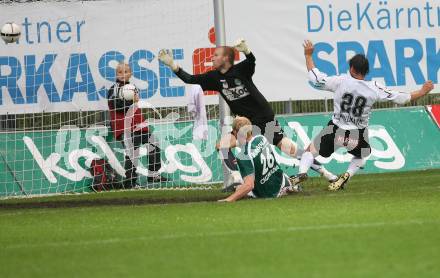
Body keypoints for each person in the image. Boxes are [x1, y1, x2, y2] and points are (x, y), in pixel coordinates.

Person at [158, 39, 337, 187]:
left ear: (227, 59)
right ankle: (237, 178)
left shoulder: (240, 70)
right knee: (222, 145)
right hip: (244, 123)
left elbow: (252, 62)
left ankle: (326, 173)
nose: (212, 58)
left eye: (216, 55)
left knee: (287, 148)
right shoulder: (213, 77)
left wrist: (247, 51)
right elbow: (190, 79)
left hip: (263, 116)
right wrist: (173, 65)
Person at [294, 40, 434, 191]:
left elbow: (316, 79)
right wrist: (422, 91)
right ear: (366, 71)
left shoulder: (341, 81)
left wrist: (308, 56)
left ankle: (301, 174)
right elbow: (399, 97)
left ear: (352, 68)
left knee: (309, 153)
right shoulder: (374, 88)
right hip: (355, 135)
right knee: (361, 156)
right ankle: (346, 176)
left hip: (334, 130)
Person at [107, 62, 168, 188]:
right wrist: (130, 101)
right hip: (124, 127)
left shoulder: (132, 87)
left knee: (154, 143)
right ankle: (130, 182)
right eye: (120, 72)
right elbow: (117, 107)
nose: (123, 74)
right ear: (116, 74)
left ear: (130, 74)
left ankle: (153, 175)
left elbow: (135, 107)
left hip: (139, 125)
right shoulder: (113, 89)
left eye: (126, 72)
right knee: (132, 152)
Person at [218, 116, 301, 202]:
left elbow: (249, 185)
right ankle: (287, 184)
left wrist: (229, 199)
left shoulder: (243, 156)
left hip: (267, 193)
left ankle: (237, 179)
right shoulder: (261, 138)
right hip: (279, 180)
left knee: (240, 187)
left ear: (235, 132)